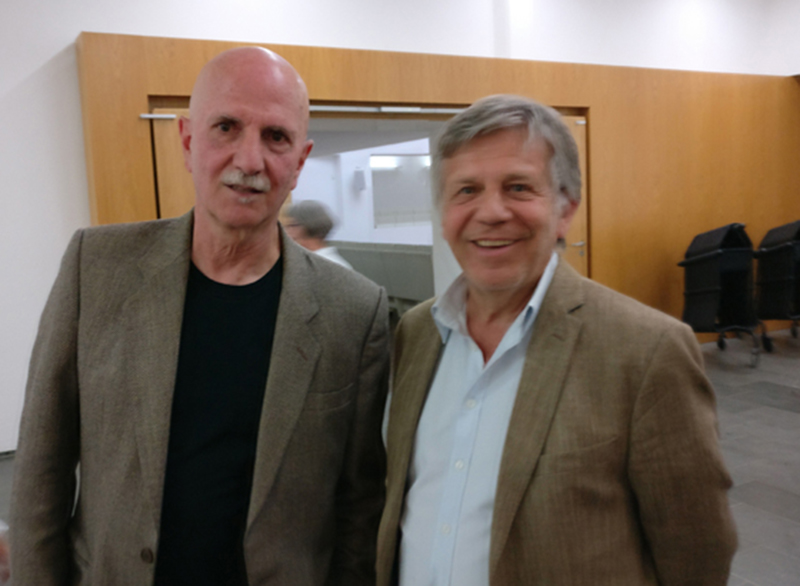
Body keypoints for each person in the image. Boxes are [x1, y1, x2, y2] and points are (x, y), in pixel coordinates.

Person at [11, 47, 389, 586]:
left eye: (276, 137)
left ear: (300, 162)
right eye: (227, 127)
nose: (250, 160)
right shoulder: (95, 269)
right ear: (189, 142)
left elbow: (357, 509)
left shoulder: (354, 311)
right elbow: (40, 472)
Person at [376, 95, 737, 586]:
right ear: (444, 215)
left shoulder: (647, 350)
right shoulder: (415, 333)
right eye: (466, 191)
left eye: (518, 187)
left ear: (566, 209)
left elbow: (697, 552)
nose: (491, 211)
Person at [284, 200, 353, 269]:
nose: (287, 231)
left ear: (309, 226)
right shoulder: (302, 261)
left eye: (293, 225)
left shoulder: (331, 265)